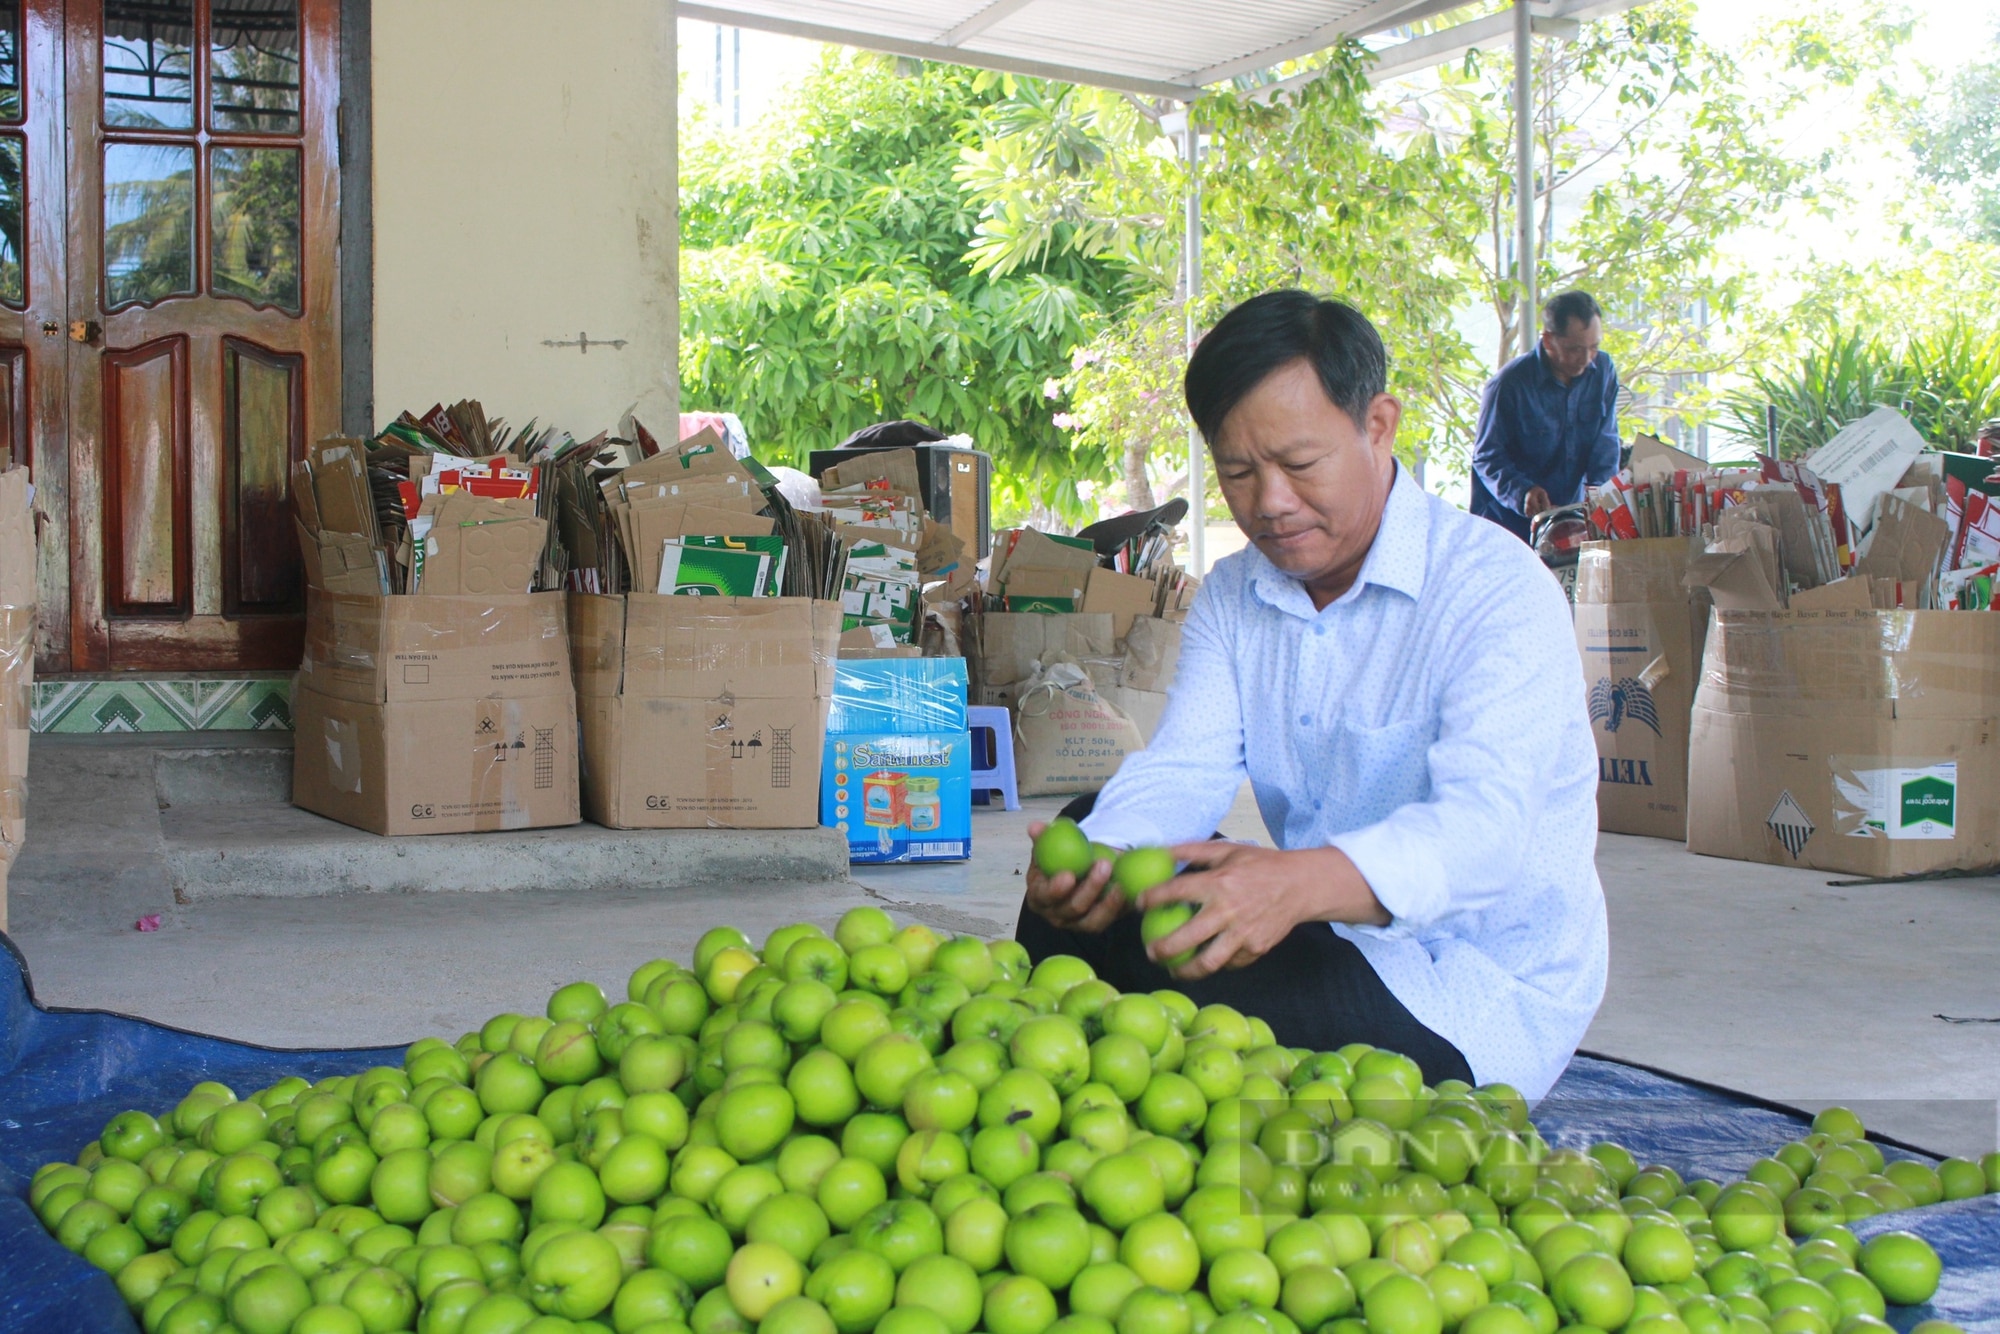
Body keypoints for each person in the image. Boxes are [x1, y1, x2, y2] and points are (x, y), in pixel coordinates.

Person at [1015, 290, 1606, 1099]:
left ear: (1378, 425)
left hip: (1468, 986)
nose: (1269, 503)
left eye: (1298, 464)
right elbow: (1186, 767)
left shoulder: (1496, 591)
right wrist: (1105, 863)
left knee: (1199, 997)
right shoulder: (1235, 594)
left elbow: (1484, 836)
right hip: (1313, 930)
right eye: (1236, 472)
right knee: (1092, 836)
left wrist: (1294, 884)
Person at [1469, 289, 1621, 542]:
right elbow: (1487, 457)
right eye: (1574, 349)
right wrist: (1522, 492)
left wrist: (1602, 502)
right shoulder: (1509, 384)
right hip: (1507, 527)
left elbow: (1605, 446)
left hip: (1567, 522)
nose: (1586, 360)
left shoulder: (1602, 371)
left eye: (1593, 348)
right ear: (1549, 340)